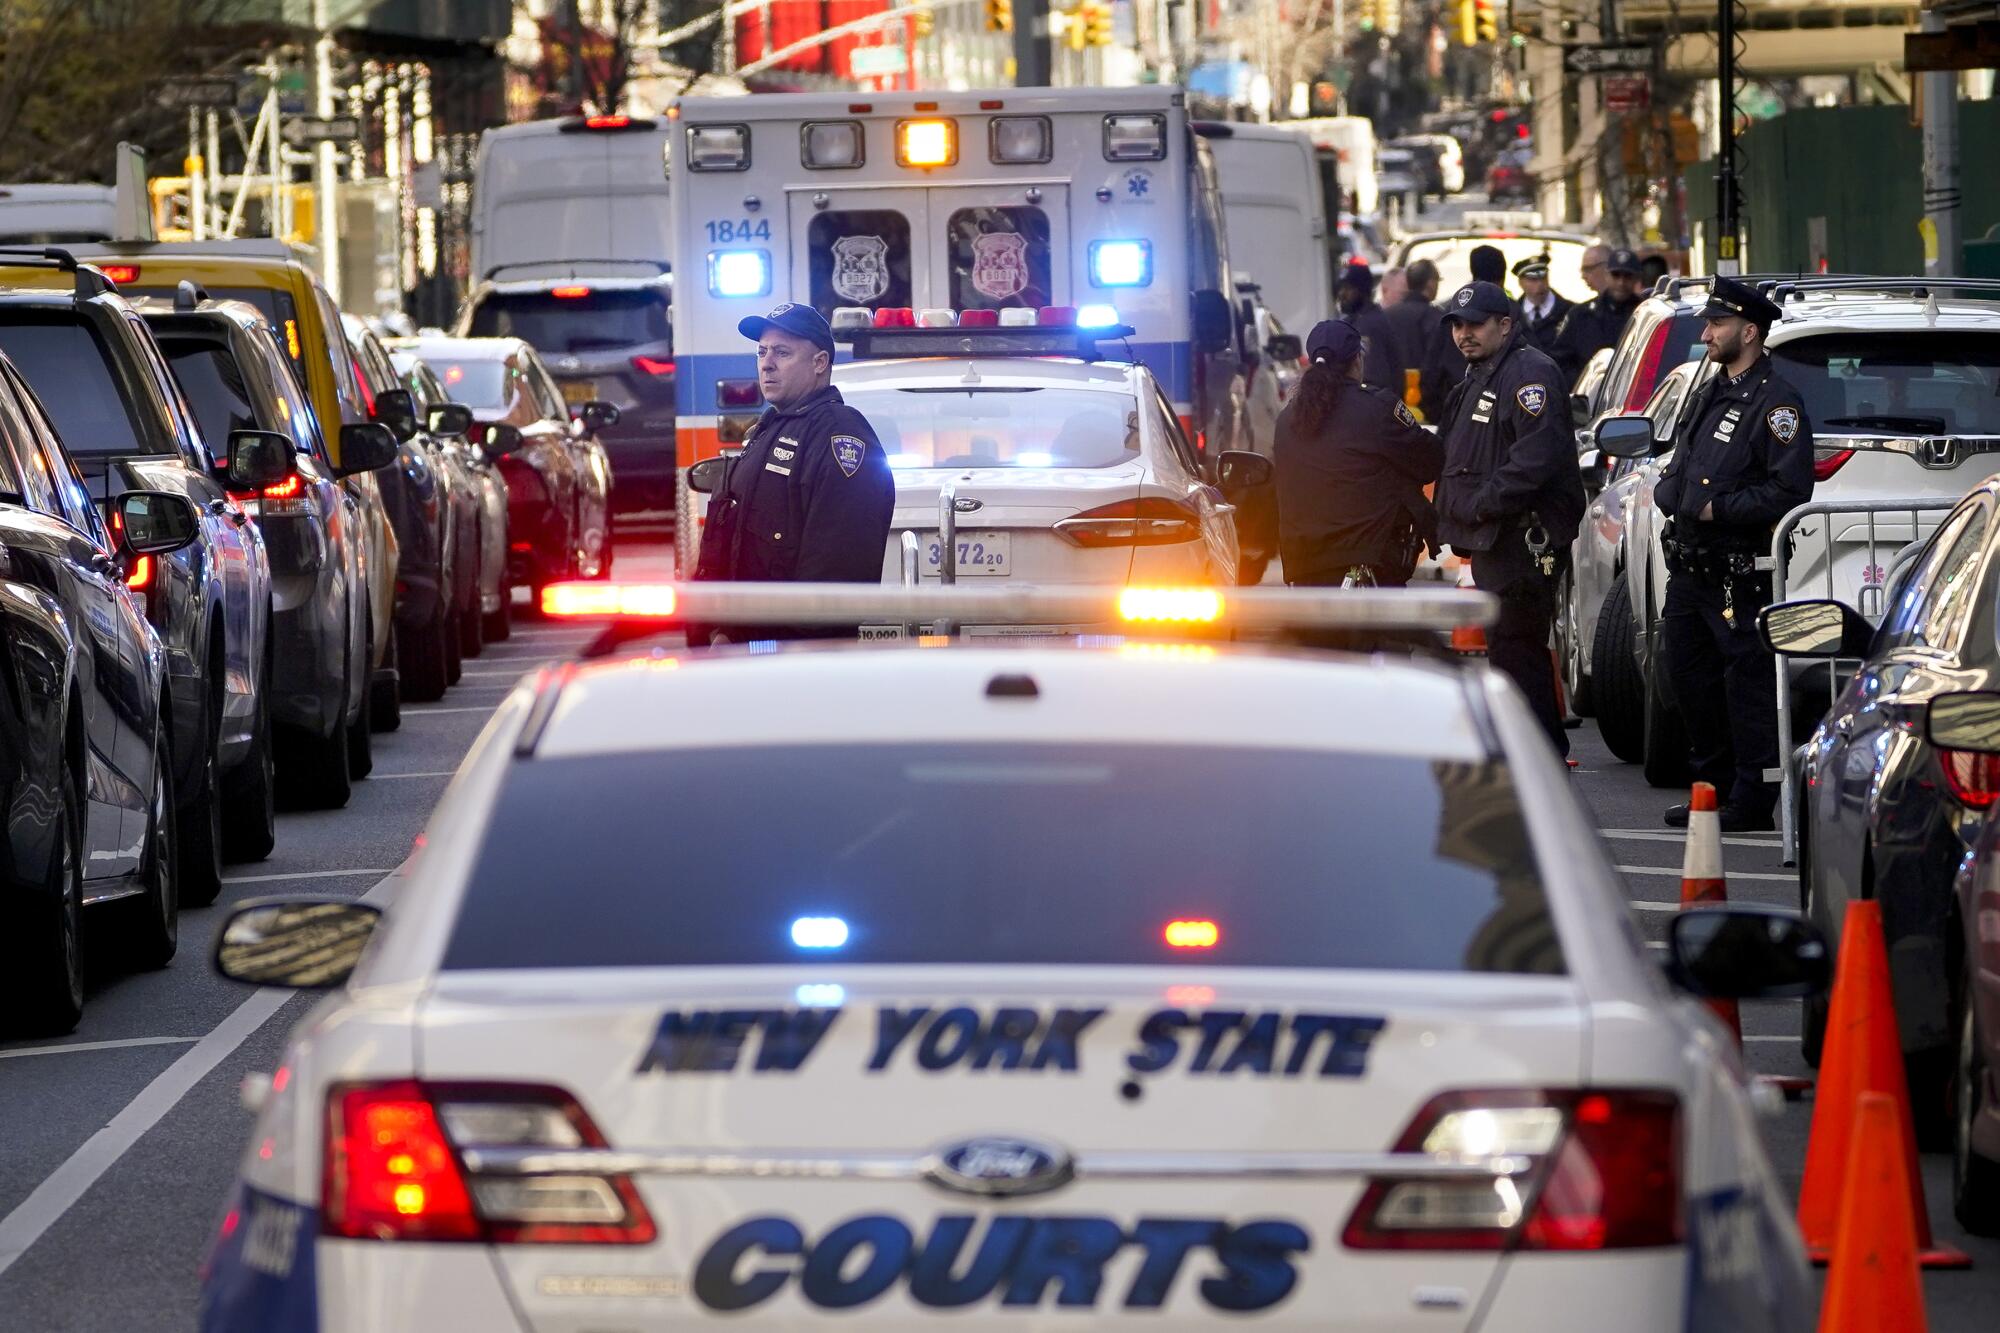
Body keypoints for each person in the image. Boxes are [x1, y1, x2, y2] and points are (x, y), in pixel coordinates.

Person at [1654, 277, 1814, 832]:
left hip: (1737, 571)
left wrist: (1718, 510)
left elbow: (1790, 491)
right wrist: (1671, 493)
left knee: (1746, 689)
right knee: (1688, 681)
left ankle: (1750, 804)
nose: (1706, 333)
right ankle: (1711, 793)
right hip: (1690, 570)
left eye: (1716, 324)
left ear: (1749, 331)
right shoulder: (1712, 389)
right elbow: (1683, 461)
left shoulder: (1776, 402)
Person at [1435, 281, 1585, 759]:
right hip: (1495, 539)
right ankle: (1529, 755)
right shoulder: (1479, 376)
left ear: (1505, 325)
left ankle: (1541, 757)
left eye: (1475, 323)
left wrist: (1481, 503)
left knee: (1518, 651)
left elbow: (1533, 460)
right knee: (1508, 652)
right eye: (1457, 325)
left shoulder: (1529, 373)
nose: (1464, 333)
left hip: (1524, 538)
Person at [689, 302, 895, 642]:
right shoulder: (769, 429)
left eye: (782, 353)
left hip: (795, 655)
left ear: (819, 363)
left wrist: (799, 653)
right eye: (762, 352)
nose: (767, 363)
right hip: (747, 643)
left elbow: (835, 567)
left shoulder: (837, 434)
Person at [1273, 320, 1441, 590]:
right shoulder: (1377, 408)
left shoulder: (1286, 418)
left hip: (1302, 570)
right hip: (1368, 569)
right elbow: (1430, 461)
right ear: (1357, 360)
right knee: (1391, 633)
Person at [1551, 247, 1644, 384]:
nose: (1621, 282)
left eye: (1627, 276)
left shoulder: (1644, 314)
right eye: (1616, 275)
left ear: (1636, 279)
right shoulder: (1580, 315)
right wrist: (1584, 385)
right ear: (1607, 275)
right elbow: (1559, 362)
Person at [1386, 258, 1448, 417]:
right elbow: (1439, 366)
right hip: (1427, 409)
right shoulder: (1437, 318)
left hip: (1389, 405)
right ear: (1430, 283)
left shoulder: (1386, 316)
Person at [1335, 261, 1401, 392]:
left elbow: (1372, 379)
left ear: (1362, 290)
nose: (1342, 294)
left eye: (1348, 288)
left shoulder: (1370, 325)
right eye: (1341, 288)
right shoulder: (1353, 321)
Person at [1513, 253, 1573, 357]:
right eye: (1533, 280)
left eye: (1543, 278)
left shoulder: (1570, 311)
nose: (1540, 284)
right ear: (1521, 282)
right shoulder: (1513, 314)